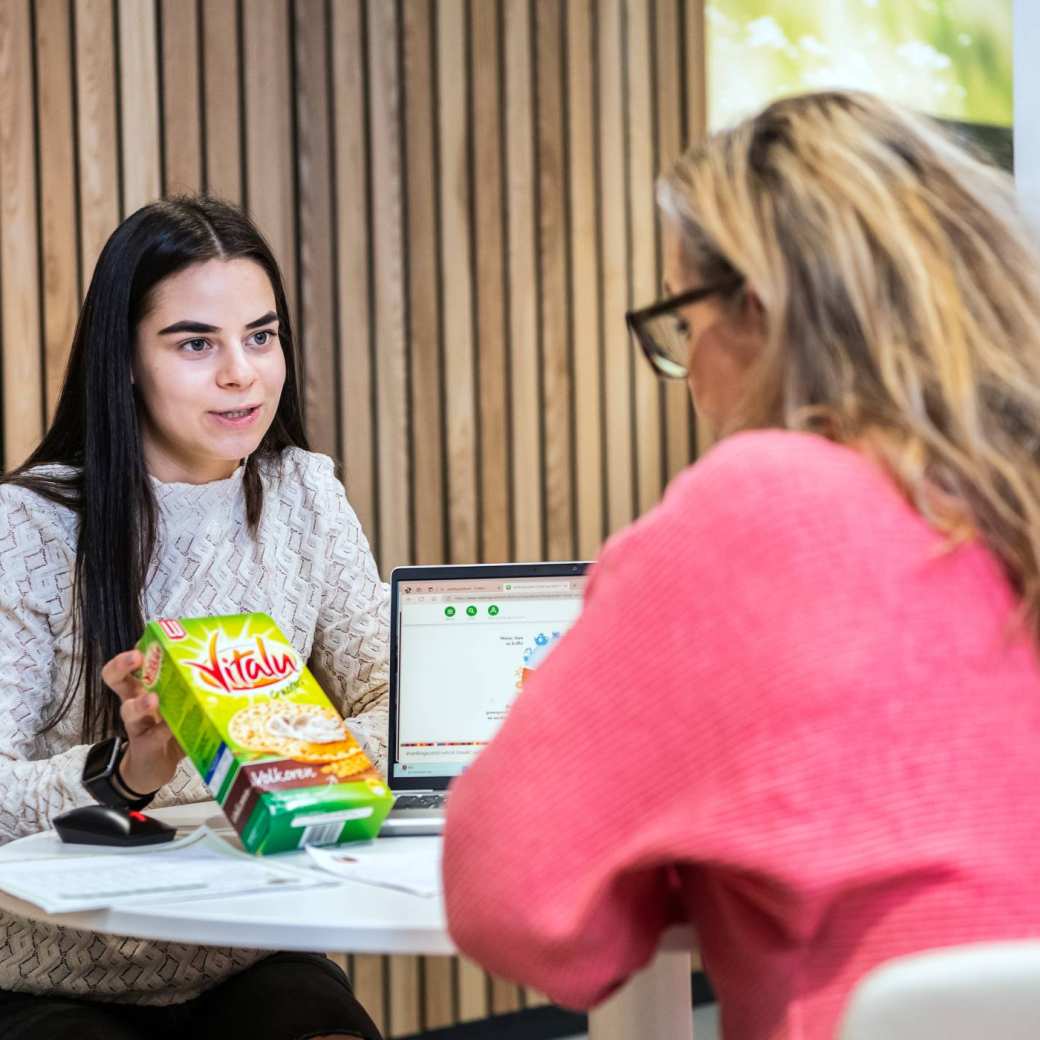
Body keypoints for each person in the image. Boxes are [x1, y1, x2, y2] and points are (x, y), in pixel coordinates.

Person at [441, 90, 1040, 1039]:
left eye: (682, 320)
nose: (689, 379)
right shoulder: (1010, 495)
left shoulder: (765, 504)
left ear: (755, 309)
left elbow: (514, 904)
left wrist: (680, 859)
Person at [0, 196, 386, 1040]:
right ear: (126, 358)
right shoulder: (28, 526)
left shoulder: (304, 494)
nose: (241, 373)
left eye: (261, 334)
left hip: (248, 947)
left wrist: (274, 752)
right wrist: (125, 772)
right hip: (53, 964)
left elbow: (401, 703)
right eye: (195, 343)